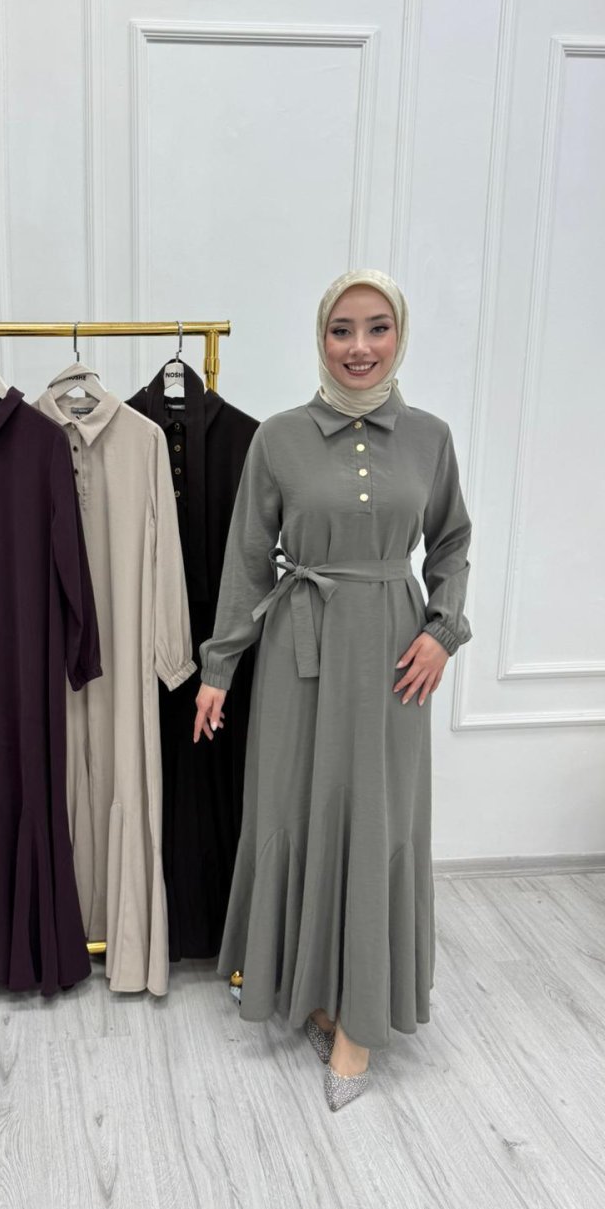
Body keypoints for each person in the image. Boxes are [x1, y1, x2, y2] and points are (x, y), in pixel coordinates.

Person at [193, 270, 472, 1111]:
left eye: (377, 327)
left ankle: (361, 1020)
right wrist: (219, 668)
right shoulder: (278, 437)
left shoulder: (430, 437)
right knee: (292, 810)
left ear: (399, 335)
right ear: (320, 337)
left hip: (392, 656)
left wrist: (443, 629)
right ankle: (312, 990)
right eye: (341, 329)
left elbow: (452, 542)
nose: (359, 346)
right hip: (298, 650)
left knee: (376, 818)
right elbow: (248, 560)